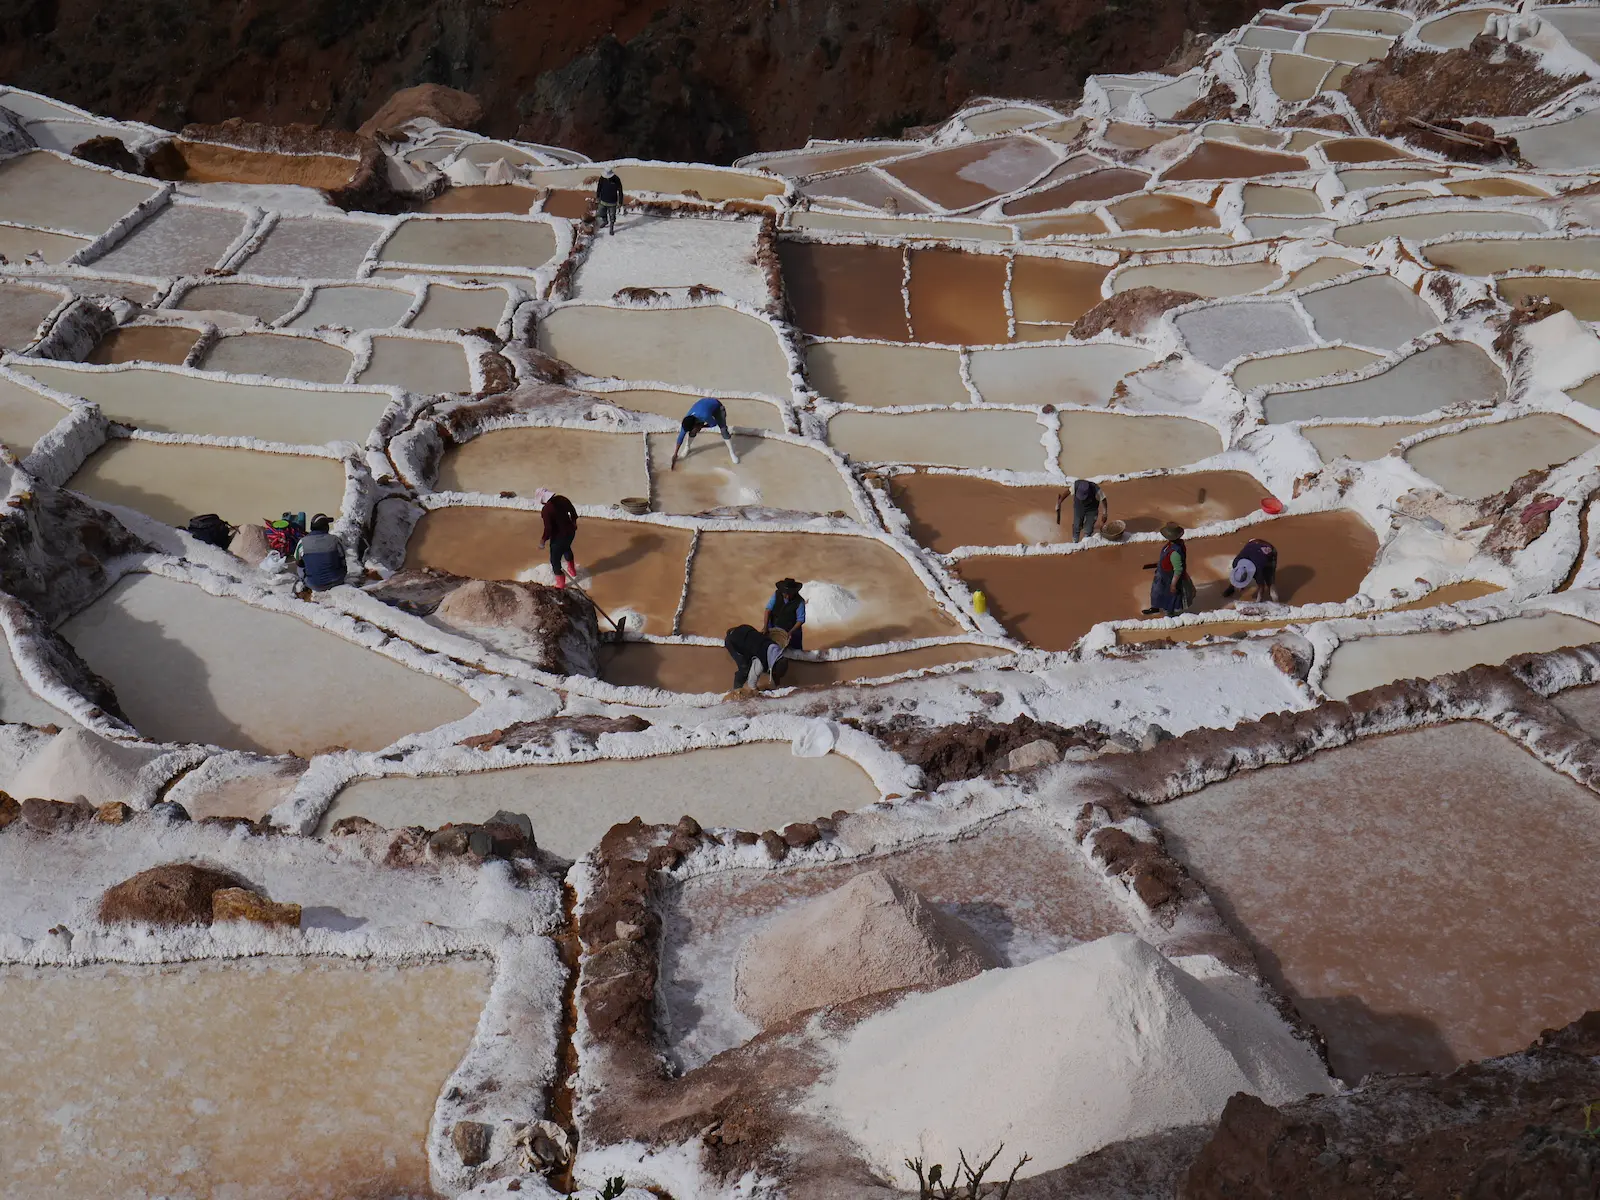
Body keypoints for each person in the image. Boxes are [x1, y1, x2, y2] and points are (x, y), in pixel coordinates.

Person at [669, 396, 739, 468]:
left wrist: (701, 427)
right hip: (703, 406)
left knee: (723, 430)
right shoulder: (687, 421)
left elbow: (714, 424)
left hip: (717, 407)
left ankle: (732, 452)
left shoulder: (704, 416)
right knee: (693, 432)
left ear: (696, 424)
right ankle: (687, 447)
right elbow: (681, 437)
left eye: (694, 428)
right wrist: (675, 453)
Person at [1142, 523, 1192, 617]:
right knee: (1157, 592)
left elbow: (1178, 570)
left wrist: (1173, 585)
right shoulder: (1171, 545)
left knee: (1170, 597)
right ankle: (1155, 608)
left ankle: (1170, 614)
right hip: (1162, 575)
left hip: (1170, 578)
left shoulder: (1175, 553)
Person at [535, 487, 579, 589]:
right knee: (566, 548)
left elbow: (548, 529)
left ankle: (560, 584)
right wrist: (574, 523)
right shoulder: (562, 499)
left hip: (559, 538)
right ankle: (572, 570)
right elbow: (573, 512)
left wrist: (542, 541)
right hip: (570, 533)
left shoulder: (546, 510)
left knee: (555, 560)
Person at [725, 624, 789, 690]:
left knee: (750, 660)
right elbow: (751, 684)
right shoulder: (760, 662)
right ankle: (736, 690)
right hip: (733, 641)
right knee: (744, 669)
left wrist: (778, 687)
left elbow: (774, 670)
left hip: (745, 630)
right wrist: (756, 695)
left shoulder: (775, 650)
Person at [295, 514, 346, 592]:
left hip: (314, 585)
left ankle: (305, 581)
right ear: (325, 527)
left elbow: (298, 562)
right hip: (337, 581)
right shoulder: (335, 540)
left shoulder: (302, 542)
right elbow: (343, 560)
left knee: (300, 565)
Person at [1223, 537, 1278, 602]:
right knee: (1239, 575)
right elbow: (1238, 574)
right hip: (1254, 543)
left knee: (1269, 579)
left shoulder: (1258, 571)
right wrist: (1240, 585)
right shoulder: (1236, 562)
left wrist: (1258, 602)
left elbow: (1261, 588)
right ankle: (1231, 589)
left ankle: (1276, 600)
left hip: (1269, 551)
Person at [1060, 478, 1108, 543]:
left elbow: (1103, 500)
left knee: (1089, 527)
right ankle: (1075, 541)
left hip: (1092, 509)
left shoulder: (1096, 490)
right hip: (1079, 507)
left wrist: (1105, 513)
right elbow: (1067, 492)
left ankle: (1086, 540)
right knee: (1077, 525)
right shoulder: (1076, 485)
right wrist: (1059, 502)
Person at [763, 578, 806, 650]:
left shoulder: (799, 601)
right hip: (775, 626)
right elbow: (768, 610)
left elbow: (800, 620)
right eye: (785, 594)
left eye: (790, 594)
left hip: (792, 629)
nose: (787, 596)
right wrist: (765, 627)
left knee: (795, 652)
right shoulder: (776, 595)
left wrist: (790, 632)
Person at [595, 168, 623, 235]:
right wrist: (597, 197)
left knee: (612, 216)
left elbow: (620, 191)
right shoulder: (602, 178)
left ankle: (611, 228)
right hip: (603, 200)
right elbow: (599, 187)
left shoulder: (616, 179)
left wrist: (620, 202)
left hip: (612, 202)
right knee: (601, 213)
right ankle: (605, 221)